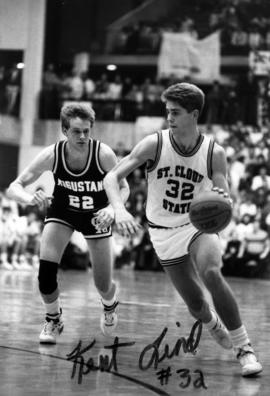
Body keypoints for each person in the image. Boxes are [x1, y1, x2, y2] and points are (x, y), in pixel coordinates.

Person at [104, 82, 262, 377]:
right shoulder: (154, 144)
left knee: (212, 273)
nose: (169, 118)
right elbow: (112, 178)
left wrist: (224, 202)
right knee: (196, 305)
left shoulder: (215, 152)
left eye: (175, 112)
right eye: (167, 112)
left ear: (194, 114)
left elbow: (222, 195)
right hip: (163, 231)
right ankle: (211, 322)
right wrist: (119, 209)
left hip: (197, 225)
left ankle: (245, 348)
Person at [7, 103, 129, 343]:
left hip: (97, 215)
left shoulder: (103, 154)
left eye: (86, 130)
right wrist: (30, 198)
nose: (82, 136)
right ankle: (53, 319)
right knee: (45, 276)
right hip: (63, 211)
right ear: (64, 130)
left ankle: (109, 304)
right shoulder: (52, 154)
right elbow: (14, 187)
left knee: (102, 283)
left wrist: (113, 209)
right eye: (76, 131)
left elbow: (123, 188)